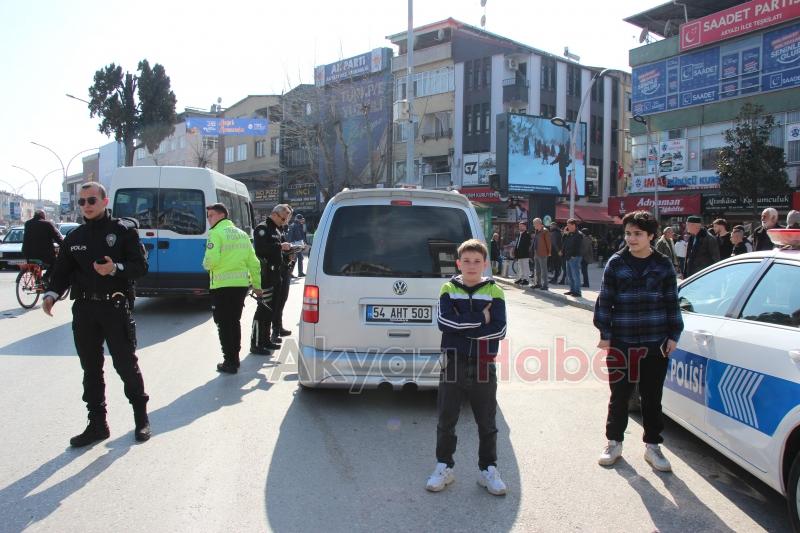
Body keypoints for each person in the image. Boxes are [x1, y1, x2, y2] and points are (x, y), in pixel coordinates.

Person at [42, 182, 151, 446]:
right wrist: (51, 294)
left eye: (91, 200)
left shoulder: (123, 232)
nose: (86, 206)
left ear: (104, 201)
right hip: (85, 311)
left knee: (125, 365)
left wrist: (115, 269)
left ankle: (141, 419)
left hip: (114, 307)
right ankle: (97, 425)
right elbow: (62, 272)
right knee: (91, 369)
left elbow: (140, 266)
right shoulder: (75, 237)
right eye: (82, 202)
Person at [593, 210, 683, 472]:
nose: (631, 238)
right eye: (628, 233)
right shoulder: (616, 263)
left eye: (637, 234)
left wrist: (673, 335)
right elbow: (604, 301)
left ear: (651, 236)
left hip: (656, 342)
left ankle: (653, 447)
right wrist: (605, 334)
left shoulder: (663, 264)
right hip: (622, 341)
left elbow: (672, 302)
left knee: (652, 398)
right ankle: (614, 443)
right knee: (619, 396)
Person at [426, 239, 507, 495]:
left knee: (487, 422)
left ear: (485, 264)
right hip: (453, 362)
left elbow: (500, 330)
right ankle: (444, 467)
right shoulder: (448, 288)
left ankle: (488, 470)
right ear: (458, 263)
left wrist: (463, 328)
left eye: (477, 261)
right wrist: (481, 318)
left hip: (484, 363)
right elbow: (444, 323)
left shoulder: (495, 291)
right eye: (467, 261)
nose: (472, 266)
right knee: (446, 419)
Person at [203, 203, 262, 374]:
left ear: (221, 215)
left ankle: (229, 361)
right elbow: (254, 262)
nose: (209, 219)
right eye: (208, 216)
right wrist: (257, 286)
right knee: (234, 322)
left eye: (211, 215)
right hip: (240, 286)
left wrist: (205, 264)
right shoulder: (242, 234)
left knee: (223, 324)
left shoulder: (215, 233)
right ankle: (234, 358)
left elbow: (211, 261)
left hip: (221, 286)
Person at [251, 204, 293, 354]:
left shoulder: (277, 229)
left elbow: (277, 251)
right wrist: (280, 246)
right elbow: (260, 249)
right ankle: (256, 343)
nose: (284, 222)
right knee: (263, 310)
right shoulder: (262, 228)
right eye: (283, 218)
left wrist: (289, 253)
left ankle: (266, 340)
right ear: (275, 214)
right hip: (266, 275)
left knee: (271, 310)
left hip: (276, 275)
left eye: (286, 219)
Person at [22, 209, 63, 283]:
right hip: (44, 255)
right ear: (43, 215)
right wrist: (65, 245)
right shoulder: (47, 224)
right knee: (56, 263)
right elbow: (56, 237)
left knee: (33, 265)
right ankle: (45, 277)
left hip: (28, 254)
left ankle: (38, 280)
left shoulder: (28, 223)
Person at [562, 219, 583, 297]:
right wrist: (564, 234)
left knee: (575, 275)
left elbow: (578, 247)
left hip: (575, 257)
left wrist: (573, 255)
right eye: (567, 225)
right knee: (570, 275)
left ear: (574, 225)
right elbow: (563, 243)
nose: (567, 227)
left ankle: (578, 292)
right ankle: (572, 290)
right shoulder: (569, 234)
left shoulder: (579, 234)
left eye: (569, 225)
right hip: (568, 256)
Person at [529, 218, 551, 290]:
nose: (533, 225)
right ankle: (538, 283)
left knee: (544, 270)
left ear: (538, 223)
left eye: (534, 224)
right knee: (537, 269)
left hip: (543, 253)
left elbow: (548, 243)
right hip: (536, 253)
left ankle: (545, 285)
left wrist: (549, 252)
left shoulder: (545, 231)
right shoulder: (537, 231)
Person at [512, 221, 531, 286]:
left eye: (521, 226)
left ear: (525, 227)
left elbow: (527, 245)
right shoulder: (520, 234)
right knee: (520, 267)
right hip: (519, 254)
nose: (520, 227)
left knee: (525, 267)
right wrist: (515, 252)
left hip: (524, 254)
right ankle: (520, 278)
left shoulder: (527, 234)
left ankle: (526, 280)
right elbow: (518, 244)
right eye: (519, 226)